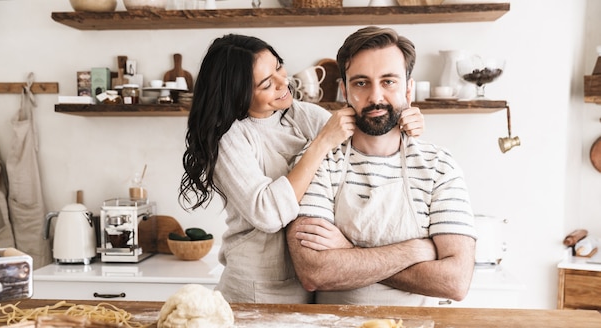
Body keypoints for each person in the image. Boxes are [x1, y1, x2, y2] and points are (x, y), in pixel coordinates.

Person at [178, 34, 426, 304]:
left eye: (278, 67)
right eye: (266, 84)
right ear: (238, 94)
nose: (284, 83)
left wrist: (403, 118)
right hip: (256, 290)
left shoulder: (303, 115)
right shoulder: (229, 138)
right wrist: (320, 144)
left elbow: (365, 143)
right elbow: (269, 213)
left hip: (312, 286)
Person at [286, 26, 477, 306]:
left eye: (389, 82)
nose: (375, 97)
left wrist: (349, 251)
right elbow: (315, 272)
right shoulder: (319, 160)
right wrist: (416, 250)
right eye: (361, 83)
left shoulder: (439, 167)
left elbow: (455, 281)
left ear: (408, 89)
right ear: (344, 91)